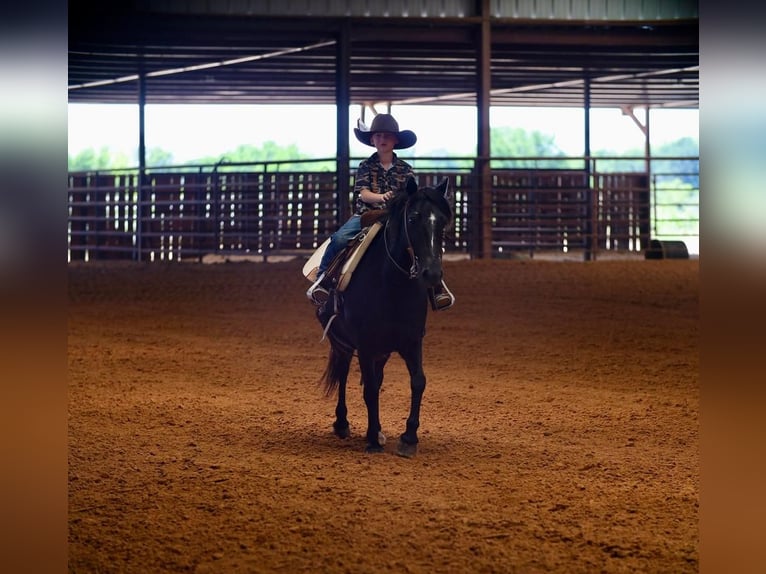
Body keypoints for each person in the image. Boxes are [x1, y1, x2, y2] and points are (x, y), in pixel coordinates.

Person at [306, 113, 455, 311]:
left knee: (422, 242)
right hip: (367, 215)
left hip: (396, 217)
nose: (382, 140)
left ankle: (436, 285)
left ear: (395, 140)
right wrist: (382, 197)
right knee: (339, 239)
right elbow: (363, 193)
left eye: (386, 136)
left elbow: (411, 197)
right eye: (378, 136)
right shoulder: (365, 166)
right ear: (372, 140)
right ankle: (323, 280)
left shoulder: (406, 169)